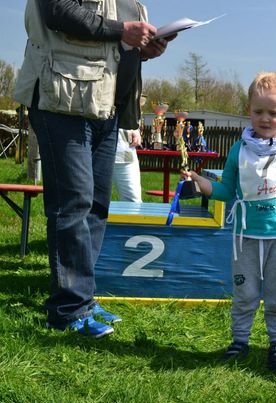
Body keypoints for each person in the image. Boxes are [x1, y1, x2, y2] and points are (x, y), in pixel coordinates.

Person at [13, 0, 173, 337]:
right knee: (73, 205)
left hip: (106, 106)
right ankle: (68, 309)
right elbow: (57, 11)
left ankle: (83, 298)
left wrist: (143, 50)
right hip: (63, 100)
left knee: (96, 207)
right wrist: (122, 31)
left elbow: (109, 46)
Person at [184, 72, 276, 372]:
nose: (265, 118)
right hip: (245, 238)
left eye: (273, 113)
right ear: (248, 110)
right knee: (245, 294)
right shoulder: (240, 150)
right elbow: (226, 190)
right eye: (258, 111)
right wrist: (201, 183)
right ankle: (239, 341)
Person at [113, 95, 148, 203]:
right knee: (89, 200)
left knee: (133, 201)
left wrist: (135, 127)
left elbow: (132, 103)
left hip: (123, 148)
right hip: (91, 146)